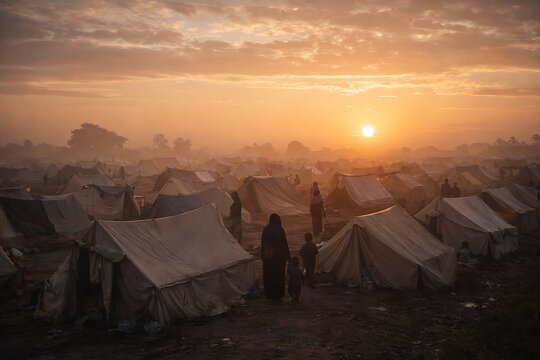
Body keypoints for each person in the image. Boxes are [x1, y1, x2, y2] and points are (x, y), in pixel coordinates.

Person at [261, 213, 291, 302]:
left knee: (269, 275)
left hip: (268, 258)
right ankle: (278, 294)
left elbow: (263, 244)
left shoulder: (266, 229)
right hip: (279, 258)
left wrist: (262, 255)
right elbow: (284, 244)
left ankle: (269, 294)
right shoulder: (280, 230)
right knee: (278, 276)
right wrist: (288, 257)